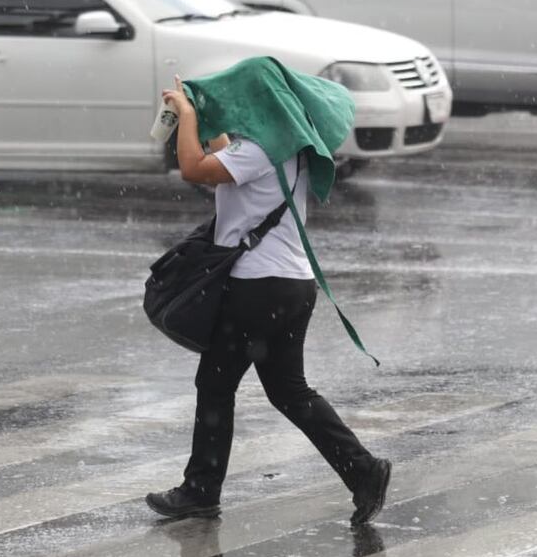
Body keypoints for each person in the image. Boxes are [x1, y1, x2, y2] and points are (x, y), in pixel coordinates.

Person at [145, 73, 391, 527]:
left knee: (216, 387)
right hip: (292, 286)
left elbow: (196, 168)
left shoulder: (257, 149)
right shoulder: (285, 146)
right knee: (289, 391)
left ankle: (200, 490)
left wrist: (191, 117)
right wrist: (198, 119)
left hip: (256, 288)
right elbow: (220, 155)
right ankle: (363, 471)